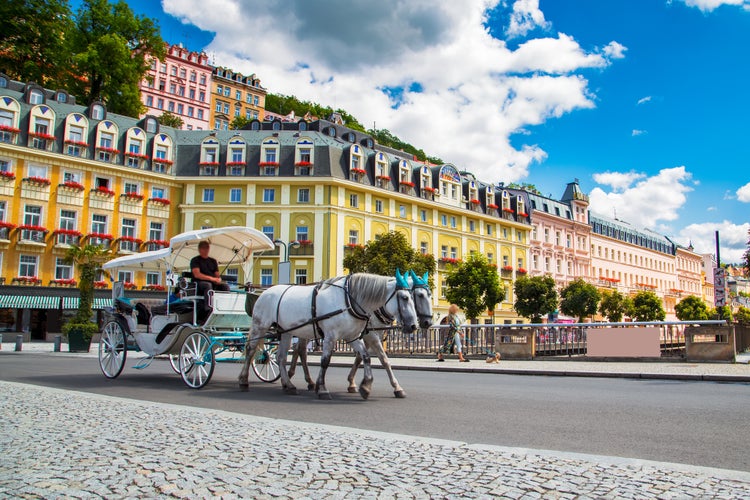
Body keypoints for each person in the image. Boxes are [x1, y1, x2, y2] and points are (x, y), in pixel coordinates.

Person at [190, 240, 230, 318]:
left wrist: (218, 280)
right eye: (203, 248)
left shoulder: (213, 261)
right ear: (199, 249)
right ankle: (208, 308)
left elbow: (217, 275)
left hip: (212, 284)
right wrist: (212, 279)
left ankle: (224, 307)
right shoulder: (195, 260)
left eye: (207, 248)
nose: (205, 250)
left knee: (225, 287)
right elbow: (197, 274)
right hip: (199, 284)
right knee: (207, 285)